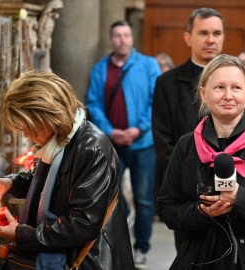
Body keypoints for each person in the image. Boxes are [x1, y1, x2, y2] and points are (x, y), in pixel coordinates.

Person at [0, 71, 134, 269]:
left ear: (48, 115)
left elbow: (83, 224)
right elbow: (43, 182)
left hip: (89, 261)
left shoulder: (92, 148)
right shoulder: (58, 142)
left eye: (29, 127)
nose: (27, 135)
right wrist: (9, 182)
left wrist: (21, 233)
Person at [157, 54, 245, 269]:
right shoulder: (186, 145)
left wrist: (240, 198)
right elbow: (167, 208)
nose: (228, 95)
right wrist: (201, 212)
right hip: (200, 256)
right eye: (219, 88)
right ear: (203, 94)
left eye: (236, 88)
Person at [85, 20, 161, 268]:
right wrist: (110, 131)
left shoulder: (148, 66)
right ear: (111, 39)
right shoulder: (100, 69)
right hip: (112, 144)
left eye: (126, 35)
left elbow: (155, 100)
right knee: (111, 196)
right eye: (117, 35)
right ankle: (118, 241)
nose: (122, 40)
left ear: (132, 39)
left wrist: (138, 128)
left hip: (143, 143)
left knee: (144, 198)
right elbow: (93, 103)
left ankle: (142, 247)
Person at [152, 8, 225, 242]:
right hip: (186, 188)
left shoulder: (239, 81)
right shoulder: (167, 82)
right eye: (203, 33)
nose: (211, 40)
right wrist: (188, 177)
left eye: (216, 33)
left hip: (231, 185)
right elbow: (163, 139)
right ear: (188, 38)